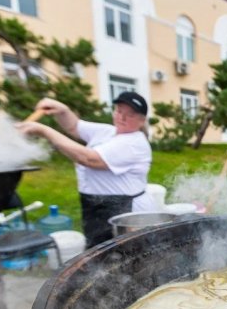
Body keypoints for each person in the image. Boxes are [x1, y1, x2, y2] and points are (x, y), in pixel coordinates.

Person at [17, 92, 156, 247]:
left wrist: (44, 131)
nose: (121, 117)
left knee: (127, 255)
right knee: (100, 255)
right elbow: (74, 126)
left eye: (130, 115)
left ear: (141, 120)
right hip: (98, 206)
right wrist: (63, 110)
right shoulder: (108, 132)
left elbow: (89, 159)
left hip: (125, 211)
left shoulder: (134, 143)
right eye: (119, 111)